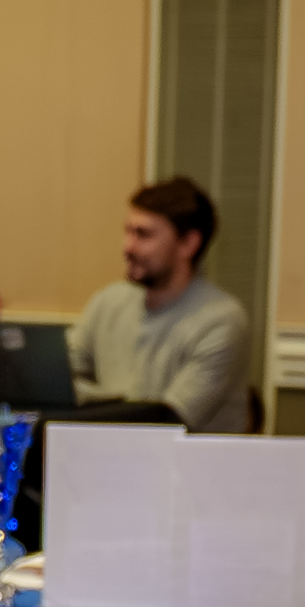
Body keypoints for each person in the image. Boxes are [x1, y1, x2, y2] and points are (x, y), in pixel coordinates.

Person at [68, 176, 253, 430]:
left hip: (190, 467)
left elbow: (169, 421)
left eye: (143, 235)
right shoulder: (107, 302)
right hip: (111, 457)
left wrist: (93, 400)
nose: (127, 247)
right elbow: (60, 384)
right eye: (128, 231)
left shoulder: (222, 320)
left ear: (188, 244)